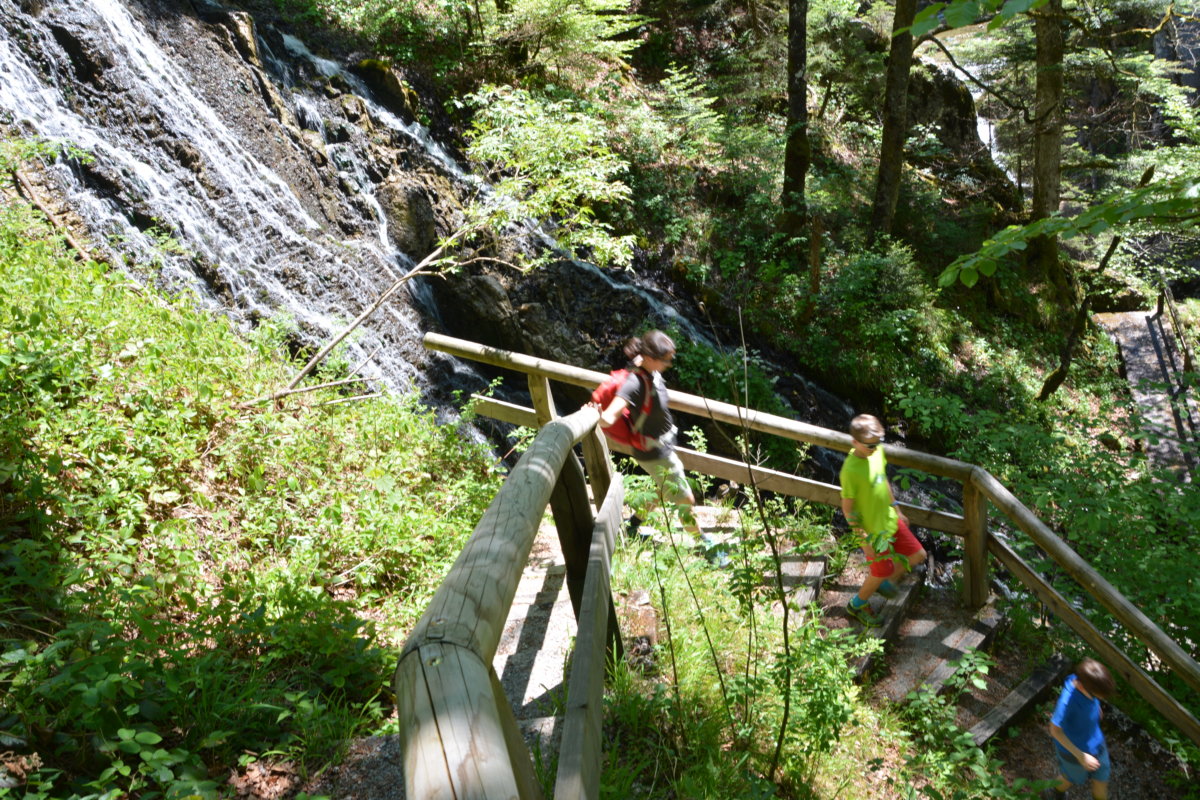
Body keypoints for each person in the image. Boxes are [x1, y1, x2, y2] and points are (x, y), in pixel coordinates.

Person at [595, 330, 697, 530]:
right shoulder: (633, 384)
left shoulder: (649, 369)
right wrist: (596, 415)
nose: (669, 364)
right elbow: (609, 416)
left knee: (663, 489)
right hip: (655, 452)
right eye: (666, 360)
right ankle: (705, 546)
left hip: (662, 444)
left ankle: (632, 524)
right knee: (686, 501)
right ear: (650, 358)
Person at [839, 413, 926, 626]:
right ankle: (857, 604)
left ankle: (881, 582)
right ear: (855, 442)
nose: (875, 448)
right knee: (880, 571)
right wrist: (864, 540)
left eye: (879, 442)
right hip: (873, 532)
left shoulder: (876, 453)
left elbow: (883, 479)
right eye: (869, 445)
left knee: (918, 555)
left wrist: (897, 508)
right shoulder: (850, 470)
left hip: (889, 520)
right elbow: (848, 509)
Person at [1044, 658, 1115, 800]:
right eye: (1097, 695)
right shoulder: (1067, 702)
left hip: (1097, 744)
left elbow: (1091, 695)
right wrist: (1081, 756)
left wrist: (1095, 706)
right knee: (1070, 778)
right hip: (1074, 754)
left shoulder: (1084, 679)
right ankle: (1053, 792)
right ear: (1083, 687)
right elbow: (1054, 730)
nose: (1099, 698)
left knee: (1101, 780)